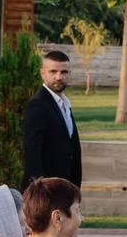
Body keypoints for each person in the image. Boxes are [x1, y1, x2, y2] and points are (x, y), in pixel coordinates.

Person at [22, 48, 82, 187]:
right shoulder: (38, 105)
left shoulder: (65, 105)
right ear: (43, 73)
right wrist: (40, 187)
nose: (58, 77)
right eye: (53, 71)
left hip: (65, 188)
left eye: (64, 72)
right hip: (45, 191)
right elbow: (32, 149)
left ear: (69, 74)